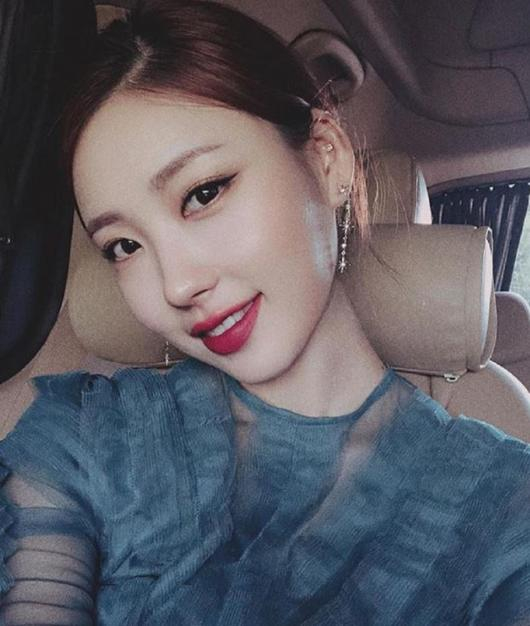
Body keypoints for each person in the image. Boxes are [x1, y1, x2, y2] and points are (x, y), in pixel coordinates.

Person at [0, 1, 529, 624]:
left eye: (203, 193)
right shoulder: (82, 436)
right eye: (124, 246)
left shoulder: (504, 507)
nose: (177, 284)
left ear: (326, 158)